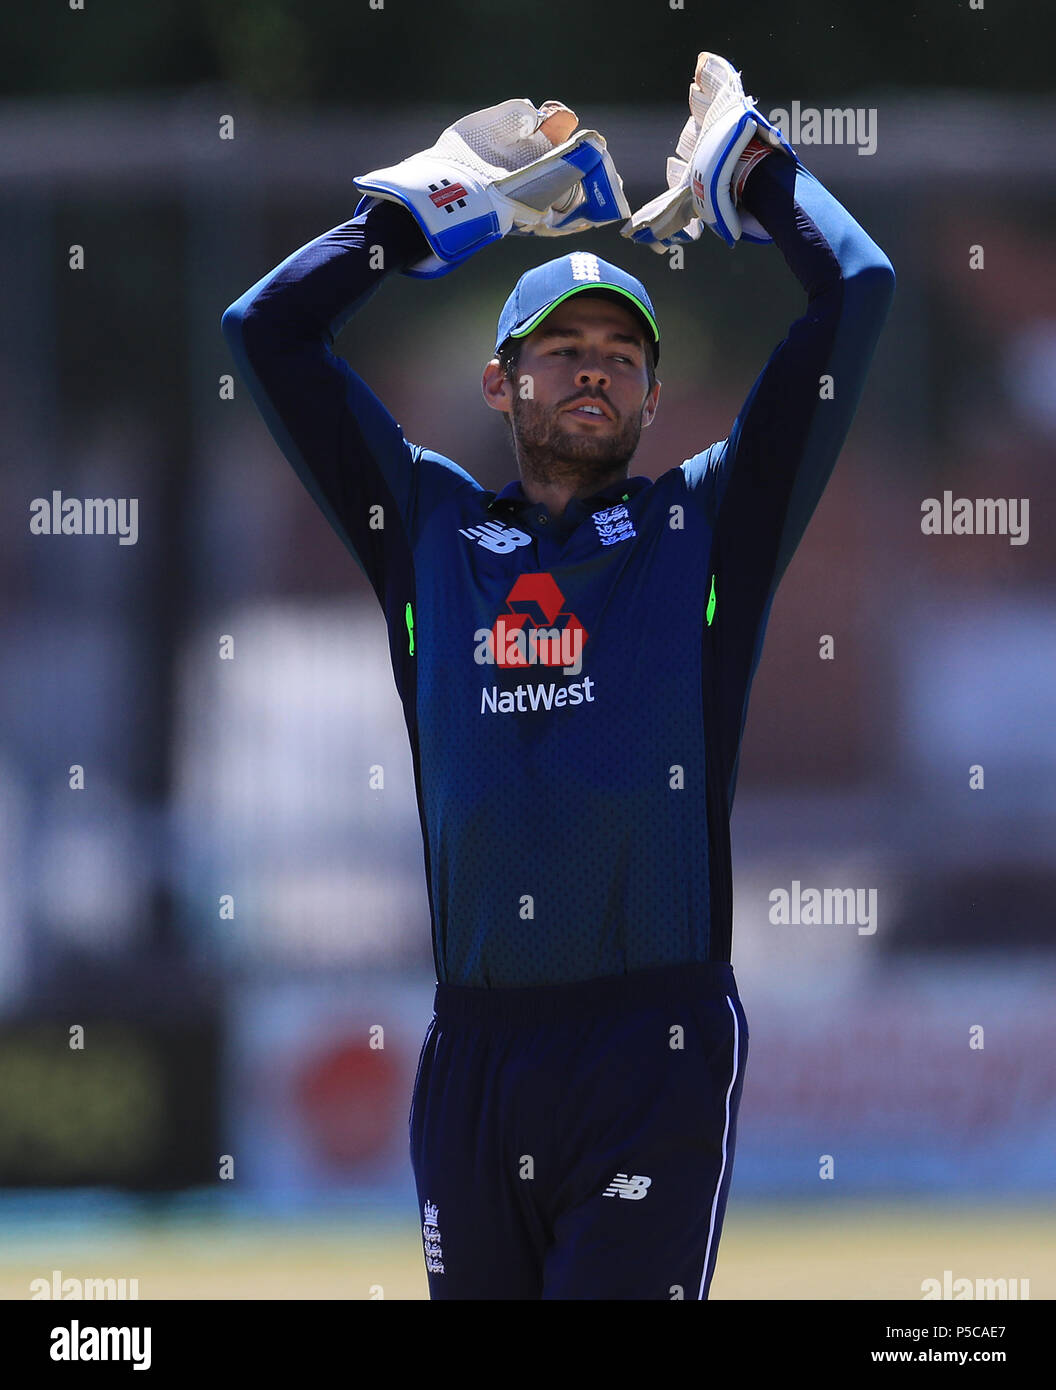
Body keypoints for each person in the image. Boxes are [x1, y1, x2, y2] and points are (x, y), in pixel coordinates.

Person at [221, 53, 894, 1300]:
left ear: (648, 395)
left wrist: (755, 172)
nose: (595, 368)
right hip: (475, 1058)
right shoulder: (426, 533)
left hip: (654, 1050)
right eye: (562, 346)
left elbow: (859, 289)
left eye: (623, 355)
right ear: (501, 382)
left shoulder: (706, 531)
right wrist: (423, 213)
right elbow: (265, 330)